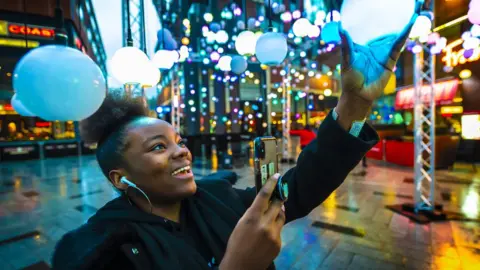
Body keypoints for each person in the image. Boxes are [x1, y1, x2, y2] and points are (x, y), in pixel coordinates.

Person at [52, 10, 418, 269]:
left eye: (178, 141)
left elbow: (300, 188)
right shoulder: (101, 250)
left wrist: (353, 106)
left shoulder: (218, 199)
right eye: (158, 147)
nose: (181, 151)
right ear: (120, 178)